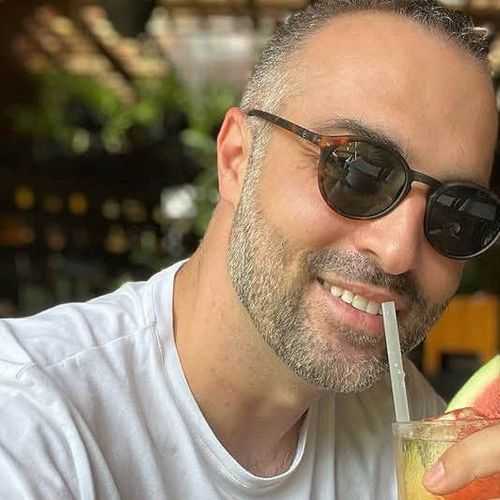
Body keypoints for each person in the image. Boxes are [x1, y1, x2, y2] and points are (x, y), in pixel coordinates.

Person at [1, 0, 499, 498]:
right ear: (237, 158)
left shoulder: (414, 427)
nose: (397, 252)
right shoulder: (30, 423)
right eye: (359, 172)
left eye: (460, 213)